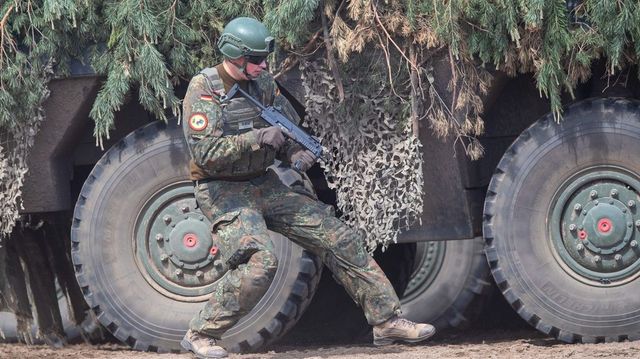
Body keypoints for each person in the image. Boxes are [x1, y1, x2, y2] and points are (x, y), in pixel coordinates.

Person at [180, 17, 435, 359]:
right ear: (234, 56)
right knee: (260, 260)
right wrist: (256, 138)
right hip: (221, 189)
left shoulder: (263, 83)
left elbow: (282, 129)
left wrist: (295, 151)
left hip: (262, 182)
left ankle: (386, 320)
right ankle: (201, 333)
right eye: (256, 60)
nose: (263, 65)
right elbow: (205, 152)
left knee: (338, 236)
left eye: (263, 59)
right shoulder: (205, 89)